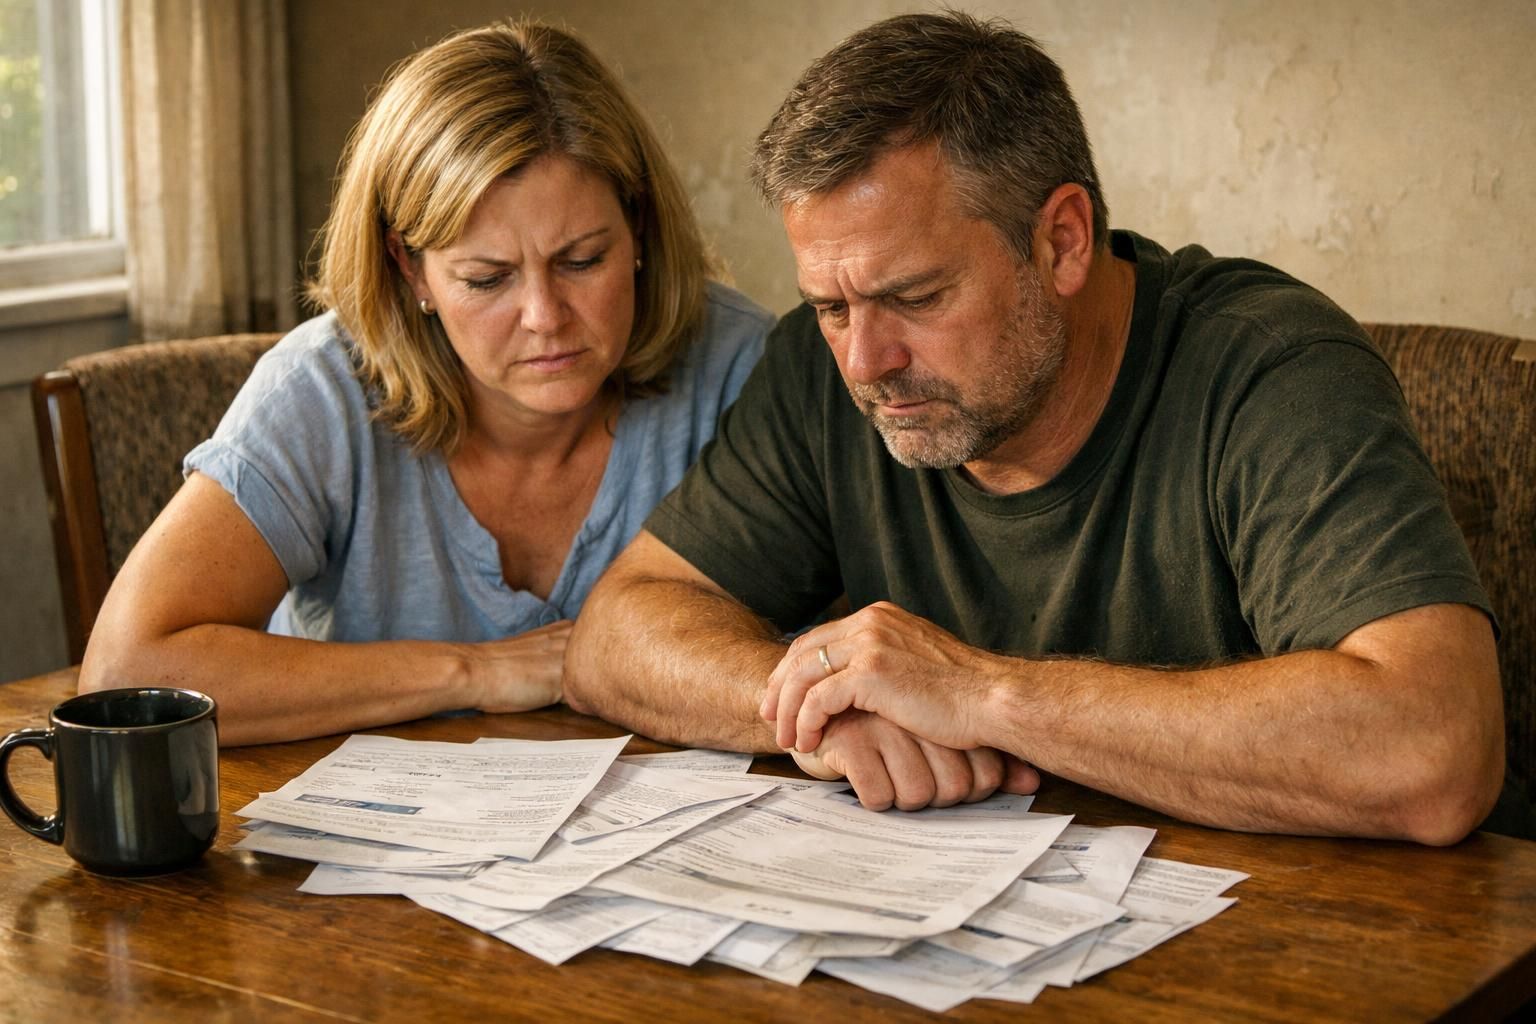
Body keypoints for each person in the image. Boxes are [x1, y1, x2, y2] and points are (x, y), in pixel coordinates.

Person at [564, 11, 1506, 845]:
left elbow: (1432, 750)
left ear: (1062, 239)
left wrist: (982, 694)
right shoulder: (823, 370)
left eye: (917, 296)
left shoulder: (1270, 369)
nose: (864, 361)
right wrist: (823, 709)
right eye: (831, 306)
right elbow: (616, 634)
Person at [79, 20, 771, 745]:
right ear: (411, 270)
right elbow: (129, 674)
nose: (544, 317)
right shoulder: (321, 392)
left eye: (582, 260)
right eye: (487, 278)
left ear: (637, 229)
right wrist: (471, 671)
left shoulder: (741, 366)